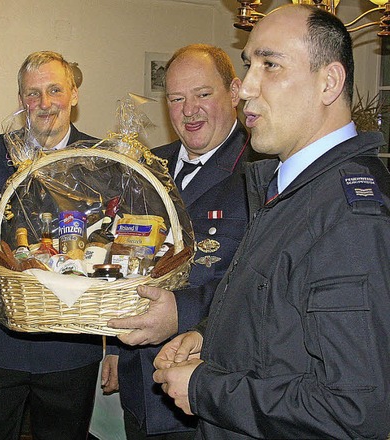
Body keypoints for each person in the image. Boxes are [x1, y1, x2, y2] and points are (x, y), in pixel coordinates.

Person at [153, 5, 390, 439]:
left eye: (270, 65)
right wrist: (209, 337)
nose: (245, 89)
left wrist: (207, 389)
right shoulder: (290, 187)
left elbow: (356, 410)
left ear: (329, 83)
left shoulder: (348, 216)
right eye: (249, 65)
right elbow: (280, 317)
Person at [0, 51, 102, 440]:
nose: (45, 103)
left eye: (55, 90)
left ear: (74, 94)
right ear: (21, 100)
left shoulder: (101, 159)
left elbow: (116, 260)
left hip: (71, 346)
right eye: (33, 94)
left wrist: (113, 350)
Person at [103, 45, 254, 439]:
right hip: (141, 381)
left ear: (235, 92)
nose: (190, 110)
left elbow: (259, 285)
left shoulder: (260, 171)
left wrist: (185, 314)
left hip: (207, 389)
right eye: (176, 98)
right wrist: (117, 351)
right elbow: (127, 258)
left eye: (203, 94)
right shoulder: (149, 165)